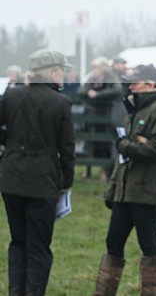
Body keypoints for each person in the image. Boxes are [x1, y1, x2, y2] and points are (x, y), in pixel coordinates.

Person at [93, 64, 156, 296]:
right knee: (113, 243)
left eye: (135, 82)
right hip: (125, 190)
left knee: (149, 246)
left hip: (147, 191)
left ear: (151, 85)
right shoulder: (134, 111)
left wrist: (127, 146)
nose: (130, 86)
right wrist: (113, 188)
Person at [0, 49, 75, 296]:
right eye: (62, 70)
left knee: (18, 242)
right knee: (40, 246)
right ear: (51, 72)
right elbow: (67, 147)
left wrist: (11, 144)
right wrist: (66, 180)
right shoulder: (60, 102)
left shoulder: (11, 96)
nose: (64, 75)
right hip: (43, 180)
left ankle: (15, 291)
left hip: (11, 178)